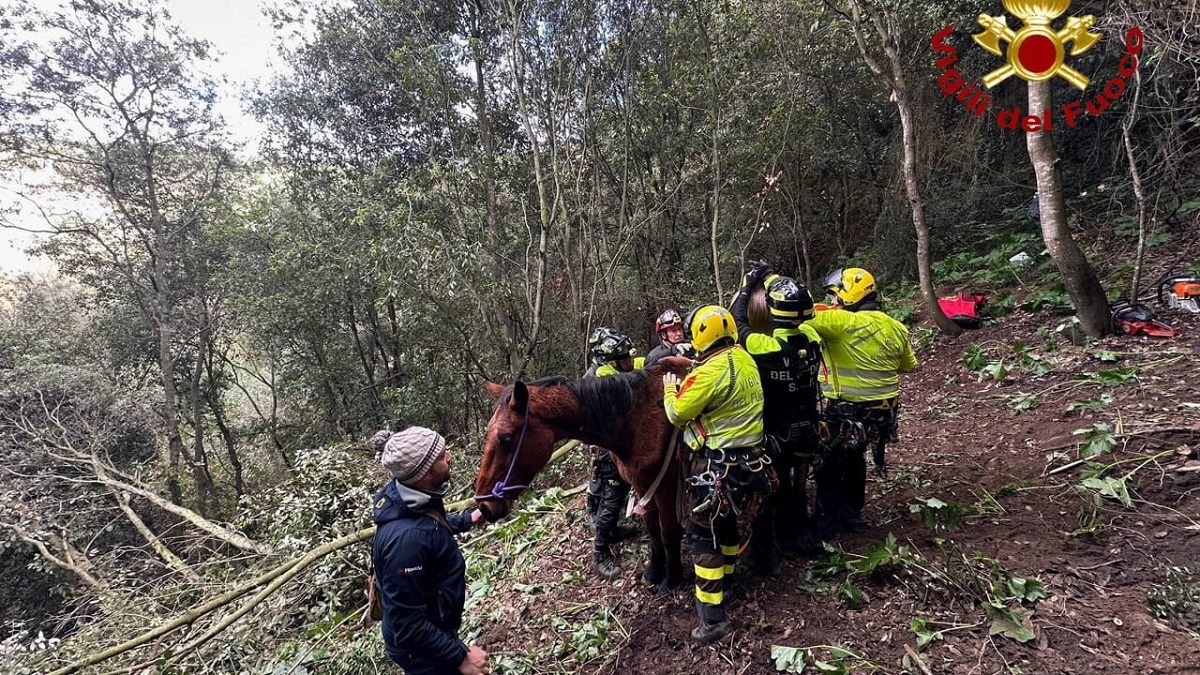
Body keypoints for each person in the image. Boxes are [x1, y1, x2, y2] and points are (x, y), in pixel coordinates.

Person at [662, 305, 768, 644]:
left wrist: (669, 388)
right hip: (749, 464)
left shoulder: (706, 374)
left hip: (715, 468)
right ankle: (729, 584)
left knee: (702, 536)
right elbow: (721, 376)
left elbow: (678, 413)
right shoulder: (745, 358)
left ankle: (712, 618)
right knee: (727, 526)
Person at [804, 268, 918, 538]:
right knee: (856, 458)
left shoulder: (842, 322)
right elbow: (908, 365)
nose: (833, 303)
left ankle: (825, 527)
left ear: (848, 296)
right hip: (881, 414)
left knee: (829, 465)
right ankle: (851, 513)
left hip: (847, 410)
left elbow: (801, 317)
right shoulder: (897, 327)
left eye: (835, 297)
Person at [369, 427, 489, 675]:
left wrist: (469, 519)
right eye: (441, 455)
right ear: (424, 472)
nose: (450, 456)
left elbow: (431, 523)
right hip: (417, 647)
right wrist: (460, 658)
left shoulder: (410, 496)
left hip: (431, 627)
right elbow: (408, 626)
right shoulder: (407, 543)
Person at [731, 262, 824, 564]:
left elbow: (737, 322)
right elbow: (797, 305)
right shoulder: (812, 337)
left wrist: (748, 286)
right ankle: (803, 531)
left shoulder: (765, 345)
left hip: (776, 431)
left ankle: (778, 541)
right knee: (800, 477)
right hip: (809, 425)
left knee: (776, 482)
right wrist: (773, 276)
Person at [583, 327, 642, 579]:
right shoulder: (604, 381)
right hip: (609, 449)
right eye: (624, 359)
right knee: (612, 499)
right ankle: (600, 553)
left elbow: (640, 363)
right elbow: (633, 379)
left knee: (620, 493)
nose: (629, 362)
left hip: (617, 445)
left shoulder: (609, 369)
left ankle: (614, 530)